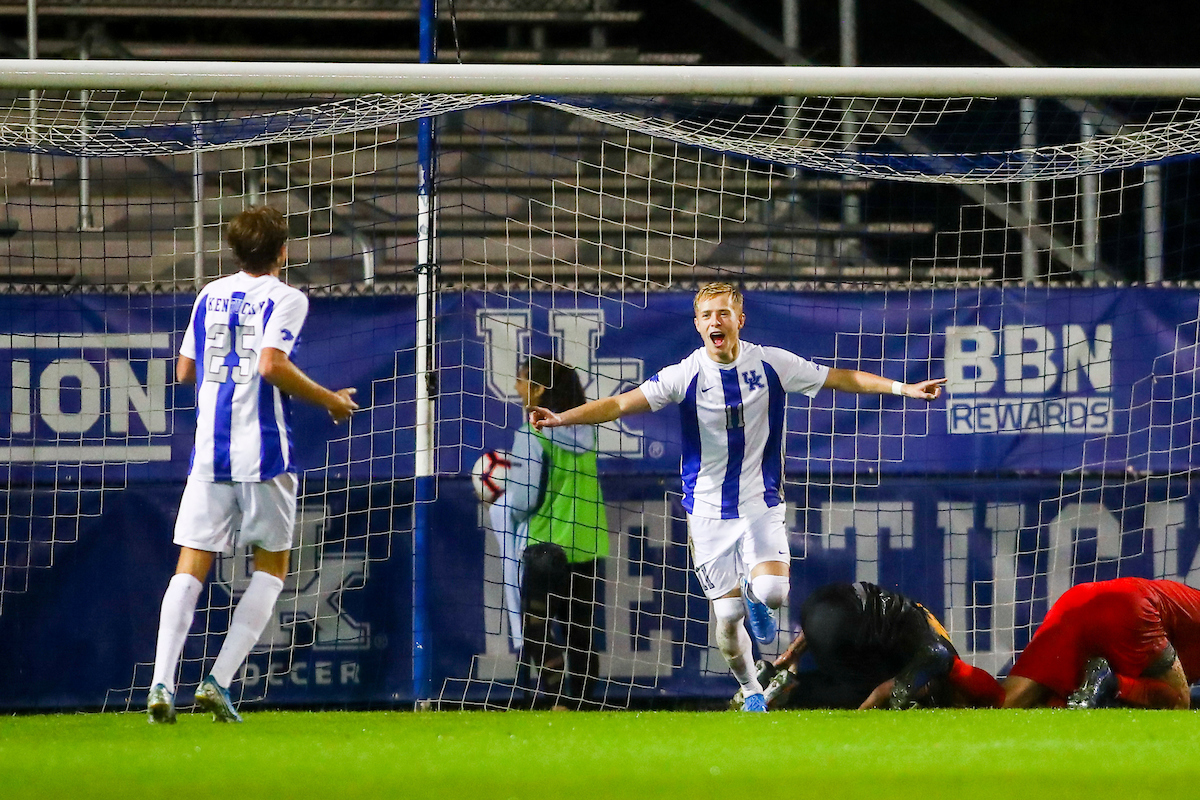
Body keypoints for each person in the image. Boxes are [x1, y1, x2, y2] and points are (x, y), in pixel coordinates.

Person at [529, 282, 945, 712]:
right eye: (707, 315)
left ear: (739, 320)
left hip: (760, 504)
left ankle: (751, 589)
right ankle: (751, 690)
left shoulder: (771, 363)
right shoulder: (684, 374)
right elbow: (618, 405)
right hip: (707, 513)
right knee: (727, 623)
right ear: (697, 324)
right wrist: (561, 417)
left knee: (773, 593)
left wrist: (904, 389)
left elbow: (840, 378)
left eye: (723, 313)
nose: (715, 321)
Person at [146, 206, 358, 724]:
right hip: (263, 453)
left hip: (209, 450)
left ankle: (160, 683)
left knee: (191, 563)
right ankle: (217, 681)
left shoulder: (208, 293)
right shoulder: (287, 298)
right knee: (273, 567)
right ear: (283, 252)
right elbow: (270, 365)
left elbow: (184, 370)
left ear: (235, 251)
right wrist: (330, 399)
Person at [488, 355, 609, 709]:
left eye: (522, 380)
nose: (516, 387)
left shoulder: (532, 434)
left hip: (545, 548)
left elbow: (524, 499)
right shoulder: (590, 432)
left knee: (534, 628)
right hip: (587, 545)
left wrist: (501, 501)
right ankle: (584, 705)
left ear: (540, 390)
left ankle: (556, 699)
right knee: (580, 633)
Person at [731, 581, 1004, 710]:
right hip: (846, 627)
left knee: (850, 675)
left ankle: (771, 680)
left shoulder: (929, 631)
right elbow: (882, 691)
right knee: (863, 694)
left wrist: (792, 653)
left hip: (823, 603)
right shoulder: (936, 661)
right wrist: (863, 715)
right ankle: (790, 695)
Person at [1003, 577, 1200, 709]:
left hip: (1077, 598)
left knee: (1007, 703)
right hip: (1131, 606)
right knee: (1178, 701)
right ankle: (1109, 683)